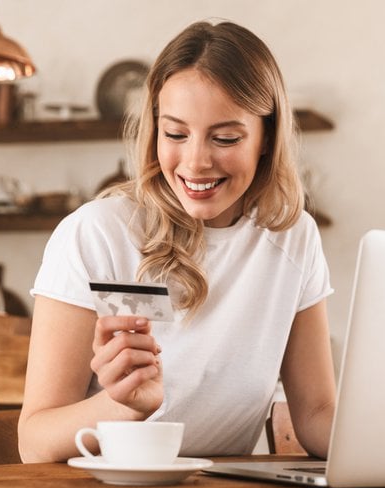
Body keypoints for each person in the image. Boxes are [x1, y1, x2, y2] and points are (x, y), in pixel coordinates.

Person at [18, 20, 336, 463]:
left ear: (266, 138)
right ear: (154, 130)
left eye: (225, 137)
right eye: (175, 134)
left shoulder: (293, 237)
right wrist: (122, 405)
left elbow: (318, 413)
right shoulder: (96, 234)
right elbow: (34, 442)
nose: (196, 162)